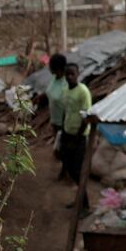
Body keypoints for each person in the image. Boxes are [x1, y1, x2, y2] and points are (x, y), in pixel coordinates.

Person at [60, 62, 92, 210]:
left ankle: (85, 205)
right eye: (67, 74)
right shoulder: (66, 90)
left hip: (79, 136)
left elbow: (86, 117)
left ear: (78, 74)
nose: (70, 77)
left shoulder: (83, 92)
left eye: (72, 74)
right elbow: (65, 112)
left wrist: (77, 138)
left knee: (78, 170)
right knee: (69, 168)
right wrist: (62, 131)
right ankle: (79, 199)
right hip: (67, 132)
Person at [46, 54, 68, 179]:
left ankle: (66, 171)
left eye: (50, 66)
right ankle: (64, 167)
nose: (48, 68)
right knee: (59, 147)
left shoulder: (66, 83)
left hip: (63, 121)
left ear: (57, 68)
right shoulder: (55, 79)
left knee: (63, 148)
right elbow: (50, 92)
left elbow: (68, 104)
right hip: (55, 119)